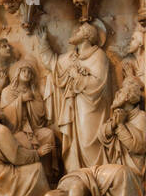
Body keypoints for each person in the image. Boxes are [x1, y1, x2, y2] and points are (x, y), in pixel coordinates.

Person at [42, 76, 146, 196]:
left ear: (129, 97)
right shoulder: (117, 115)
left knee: (120, 173)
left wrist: (120, 126)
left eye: (121, 92)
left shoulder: (140, 117)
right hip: (115, 168)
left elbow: (138, 147)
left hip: (130, 169)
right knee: (115, 173)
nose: (117, 94)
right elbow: (102, 135)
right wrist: (115, 124)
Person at [37, 21, 114, 173]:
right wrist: (43, 42)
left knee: (88, 141)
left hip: (92, 108)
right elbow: (52, 63)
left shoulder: (99, 56)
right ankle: (75, 175)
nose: (74, 34)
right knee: (74, 143)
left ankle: (95, 175)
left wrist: (77, 76)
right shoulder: (72, 57)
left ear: (87, 36)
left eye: (78, 31)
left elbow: (98, 84)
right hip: (74, 108)